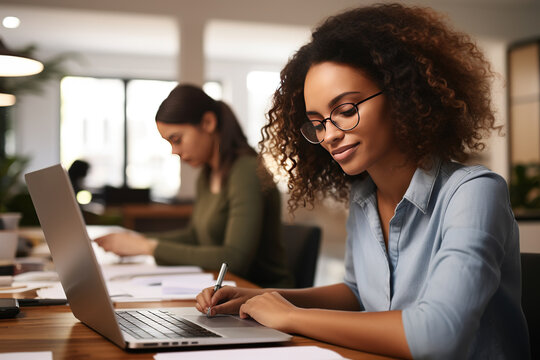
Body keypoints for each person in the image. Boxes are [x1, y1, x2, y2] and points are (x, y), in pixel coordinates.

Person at [195, 3, 530, 359]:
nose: (329, 136)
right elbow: (359, 293)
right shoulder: (364, 195)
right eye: (319, 122)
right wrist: (263, 298)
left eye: (345, 110)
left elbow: (438, 335)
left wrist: (291, 317)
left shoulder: (474, 193)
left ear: (402, 96)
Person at [95, 84, 292, 288]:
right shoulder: (206, 176)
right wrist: (135, 241)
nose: (174, 151)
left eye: (177, 139)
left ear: (208, 123)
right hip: (227, 290)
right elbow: (194, 236)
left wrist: (148, 247)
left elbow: (235, 259)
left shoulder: (247, 171)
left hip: (264, 296)